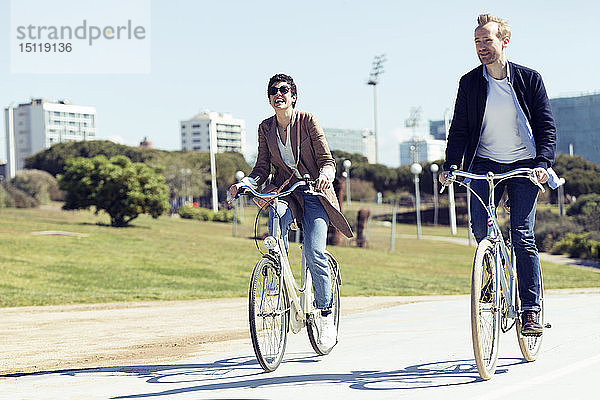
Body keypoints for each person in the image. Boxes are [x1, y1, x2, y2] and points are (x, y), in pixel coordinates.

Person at [440, 14, 556, 336]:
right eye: (477, 42)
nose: (481, 47)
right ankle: (491, 278)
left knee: (522, 233)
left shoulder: (529, 79)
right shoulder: (470, 83)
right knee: (481, 230)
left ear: (504, 41)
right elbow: (459, 129)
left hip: (524, 165)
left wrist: (543, 163)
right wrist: (452, 166)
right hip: (484, 164)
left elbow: (546, 127)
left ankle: (531, 309)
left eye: (487, 40)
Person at [229, 73, 353, 348]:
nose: (278, 94)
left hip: (313, 192)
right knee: (276, 214)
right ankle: (276, 273)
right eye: (273, 91)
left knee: (314, 251)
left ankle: (325, 315)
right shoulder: (265, 128)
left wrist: (325, 175)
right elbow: (261, 168)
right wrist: (245, 184)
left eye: (284, 90)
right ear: (270, 99)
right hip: (286, 192)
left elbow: (326, 160)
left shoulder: (308, 120)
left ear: (293, 96)